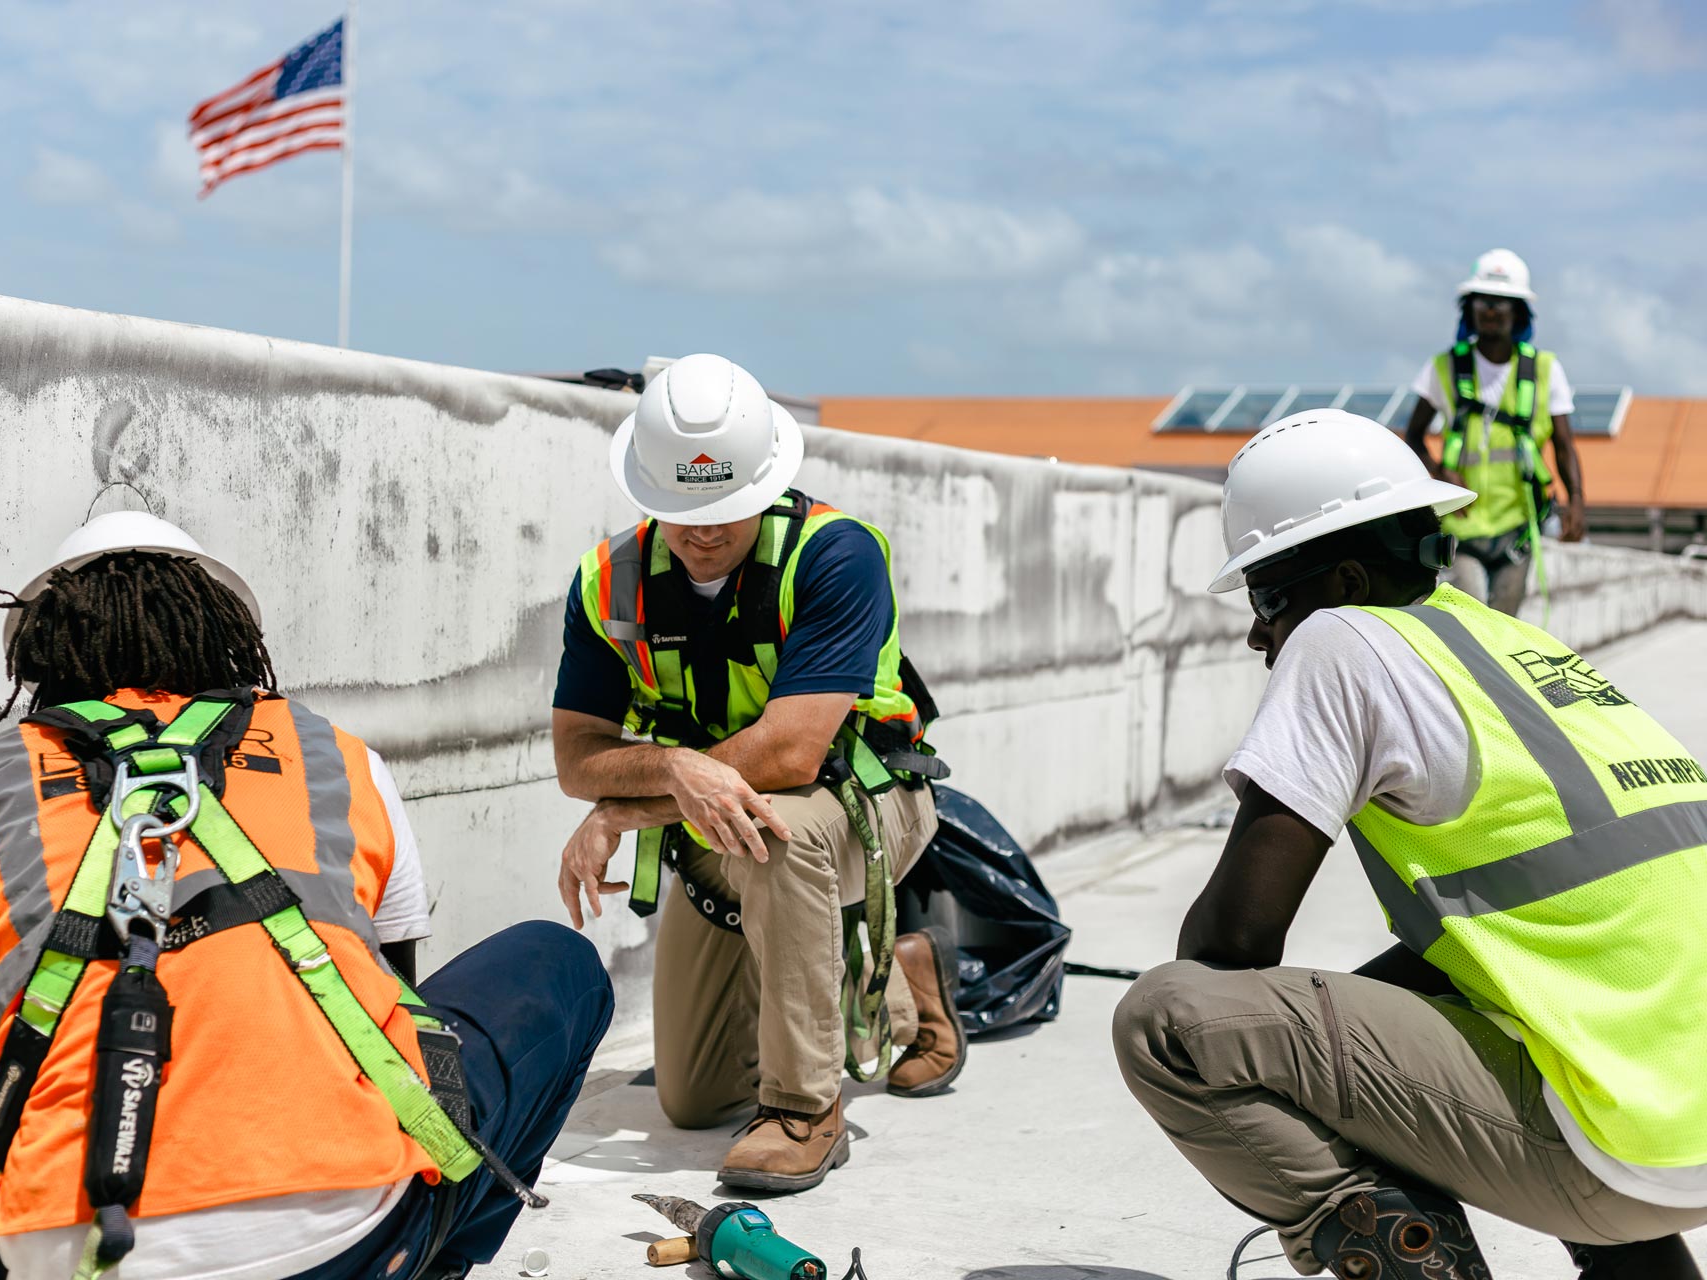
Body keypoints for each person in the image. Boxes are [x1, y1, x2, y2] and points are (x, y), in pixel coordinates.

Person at [0, 509, 612, 1280]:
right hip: (343, 1241)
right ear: (224, 632)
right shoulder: (336, 758)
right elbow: (390, 1027)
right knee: (559, 963)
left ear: (45, 648)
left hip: (71, 1256)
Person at [1112, 411, 1707, 1280]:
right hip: (1678, 1119)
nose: (1257, 634)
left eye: (1266, 600)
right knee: (1466, 1011)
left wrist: (1343, 1086)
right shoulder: (1516, 644)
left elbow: (1230, 945)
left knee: (1169, 1020)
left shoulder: (1342, 637)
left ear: (1346, 579)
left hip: (1628, 1149)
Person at [550, 353, 965, 1192]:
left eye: (725, 510)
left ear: (766, 485)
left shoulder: (836, 554)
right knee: (695, 1100)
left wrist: (628, 808)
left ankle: (805, 1109)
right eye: (682, 511)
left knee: (782, 833)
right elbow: (576, 757)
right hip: (710, 819)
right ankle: (896, 975)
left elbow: (790, 754)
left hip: (865, 801)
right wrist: (673, 768)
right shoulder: (608, 585)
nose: (703, 533)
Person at [1404, 248, 1587, 616]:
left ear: (1518, 311)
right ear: (1470, 307)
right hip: (1462, 527)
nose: (1491, 310)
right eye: (1483, 300)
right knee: (1471, 619)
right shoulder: (1444, 367)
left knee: (1504, 623)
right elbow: (1414, 435)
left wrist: (1578, 500)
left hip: (1518, 528)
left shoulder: (1545, 369)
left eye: (1501, 302)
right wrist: (1439, 473)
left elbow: (1564, 445)